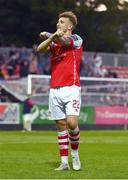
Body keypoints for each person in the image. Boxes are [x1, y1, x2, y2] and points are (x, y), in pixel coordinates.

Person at [37, 11, 83, 171]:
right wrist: (51, 38)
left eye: (62, 22)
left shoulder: (77, 39)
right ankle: (64, 162)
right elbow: (39, 49)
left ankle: (75, 154)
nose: (59, 23)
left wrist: (51, 34)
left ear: (69, 26)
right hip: (55, 88)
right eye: (58, 21)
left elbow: (64, 40)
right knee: (61, 125)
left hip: (71, 87)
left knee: (72, 123)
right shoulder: (54, 42)